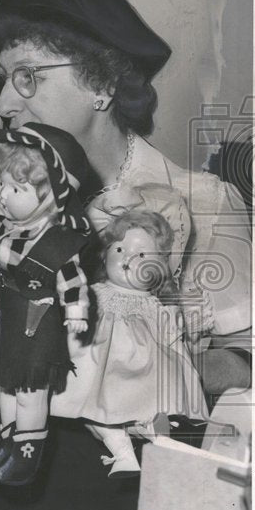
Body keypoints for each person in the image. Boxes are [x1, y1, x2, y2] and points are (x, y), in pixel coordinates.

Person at [0, 0, 252, 510]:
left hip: (135, 494)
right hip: (7, 489)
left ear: (101, 83)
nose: (4, 99)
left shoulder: (199, 201)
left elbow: (252, 365)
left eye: (28, 75)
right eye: (0, 79)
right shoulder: (9, 206)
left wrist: (151, 369)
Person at [0, 124, 94, 486]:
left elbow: (72, 281)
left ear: (52, 195)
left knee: (30, 391)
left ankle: (26, 454)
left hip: (38, 325)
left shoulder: (58, 243)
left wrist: (77, 312)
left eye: (16, 188)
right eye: (2, 184)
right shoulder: (2, 231)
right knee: (4, 384)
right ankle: (6, 441)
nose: (3, 195)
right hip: (7, 320)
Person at [51, 204, 207, 477]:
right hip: (97, 369)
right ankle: (124, 453)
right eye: (120, 249)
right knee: (92, 410)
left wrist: (179, 329)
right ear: (105, 254)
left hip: (139, 375)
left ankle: (157, 439)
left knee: (140, 409)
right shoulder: (94, 293)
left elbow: (172, 341)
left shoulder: (155, 305)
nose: (126, 258)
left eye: (141, 254)